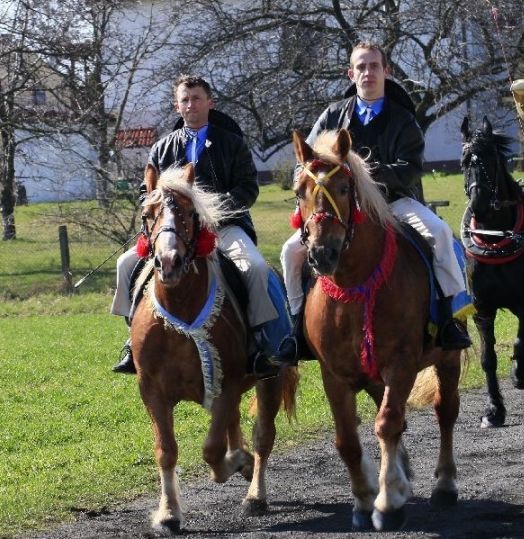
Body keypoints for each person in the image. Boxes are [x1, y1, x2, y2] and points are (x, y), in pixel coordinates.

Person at [274, 41, 471, 365]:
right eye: (361, 67)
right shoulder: (332, 115)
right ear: (351, 74)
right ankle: (296, 331)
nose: (368, 73)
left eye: (374, 66)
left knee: (439, 233)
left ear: (386, 71)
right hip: (340, 209)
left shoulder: (404, 118)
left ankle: (449, 320)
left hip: (394, 203)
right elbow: (304, 162)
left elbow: (411, 169)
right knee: (289, 251)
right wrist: (308, 187)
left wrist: (367, 174)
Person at [110, 75, 280, 378]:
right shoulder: (161, 148)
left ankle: (258, 342)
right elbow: (146, 191)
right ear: (177, 106)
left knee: (255, 267)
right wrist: (155, 209)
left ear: (209, 103)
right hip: (173, 231)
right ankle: (132, 339)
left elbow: (247, 189)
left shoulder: (232, 143)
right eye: (185, 100)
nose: (191, 105)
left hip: (224, 227)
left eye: (196, 99)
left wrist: (211, 211)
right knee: (125, 264)